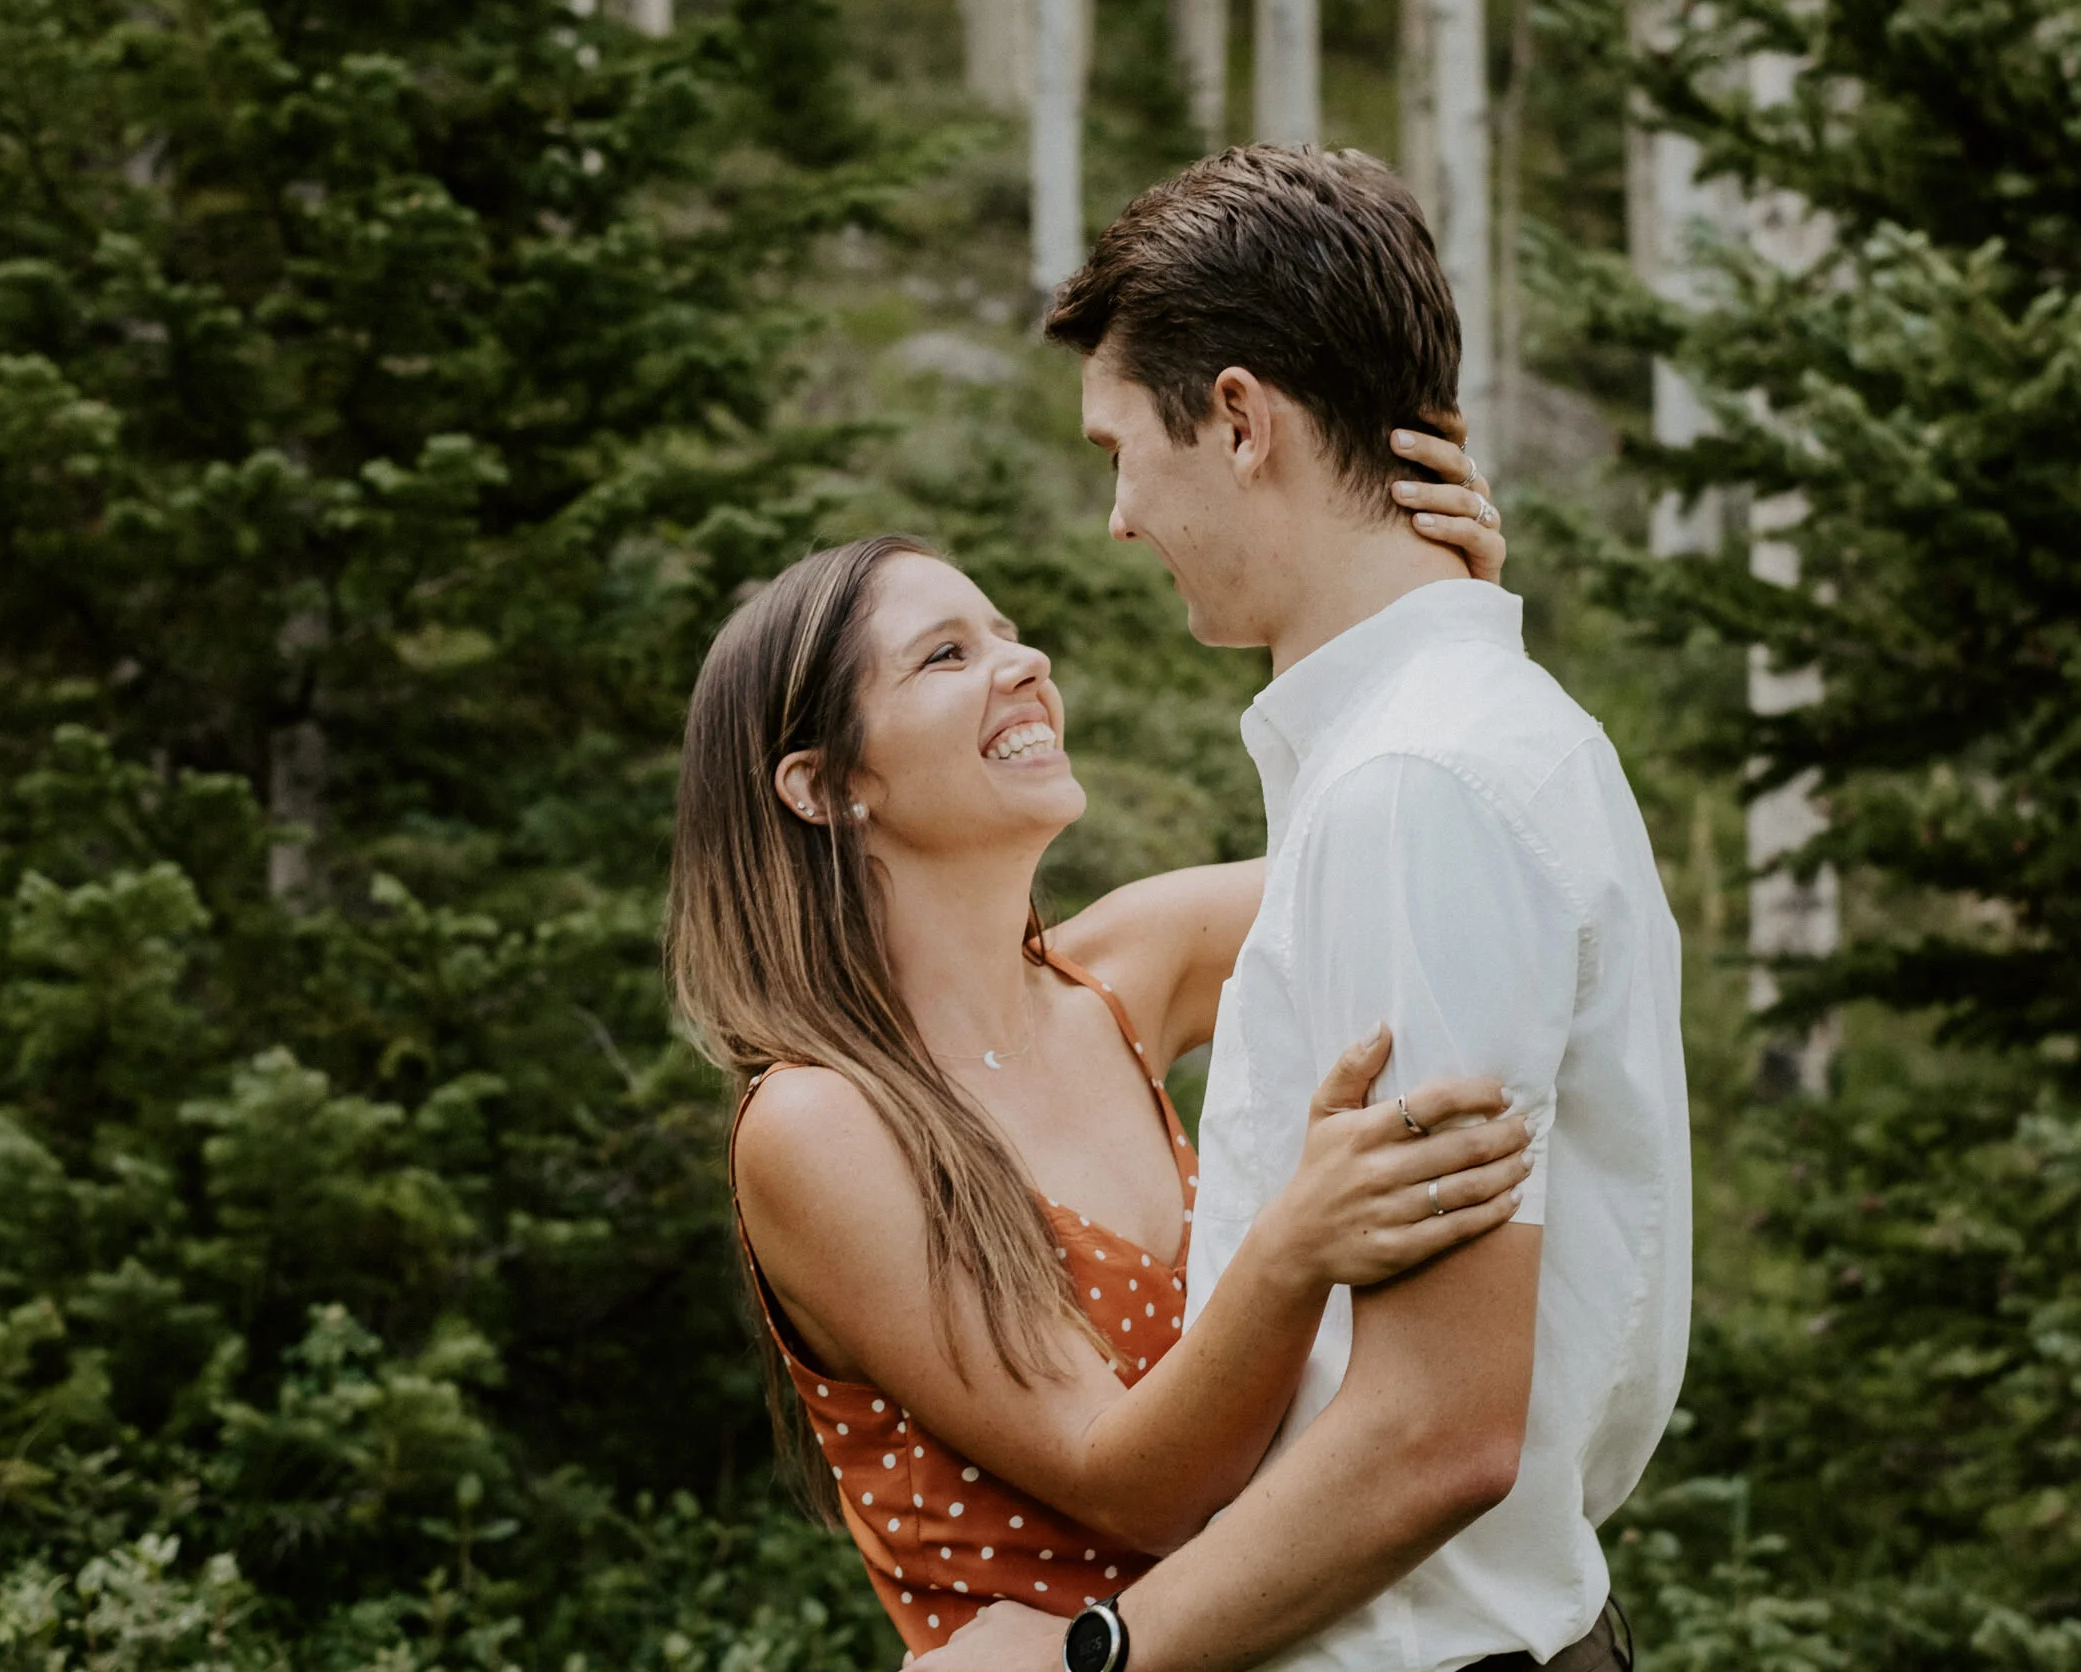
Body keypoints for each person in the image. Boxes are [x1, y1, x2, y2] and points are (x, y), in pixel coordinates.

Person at [914, 147, 1691, 1672]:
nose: (1119, 520)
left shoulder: (1421, 783)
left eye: (1119, 450)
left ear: (1241, 420)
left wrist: (1101, 1660)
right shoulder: (1437, 752)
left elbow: (1433, 1435)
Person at [665, 453, 1530, 1654]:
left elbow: (1440, 833)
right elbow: (1132, 1482)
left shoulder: (1126, 965)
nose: (1026, 664)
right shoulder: (822, 1124)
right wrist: (1294, 1244)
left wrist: (1445, 619)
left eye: (1007, 633)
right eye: (946, 656)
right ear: (825, 786)